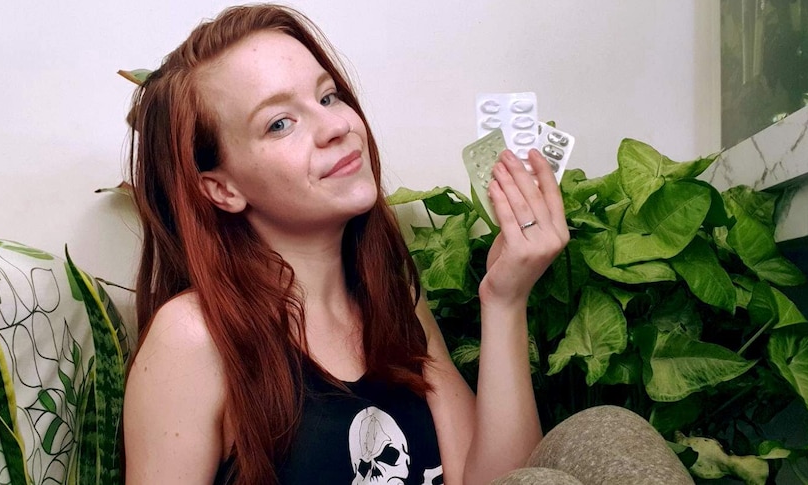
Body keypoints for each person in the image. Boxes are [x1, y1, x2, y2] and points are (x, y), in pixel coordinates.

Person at [122, 4, 569, 485]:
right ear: (222, 190)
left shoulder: (394, 302)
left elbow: (499, 481)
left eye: (329, 97)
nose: (337, 126)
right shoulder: (193, 337)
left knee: (604, 431)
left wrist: (504, 301)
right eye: (279, 123)